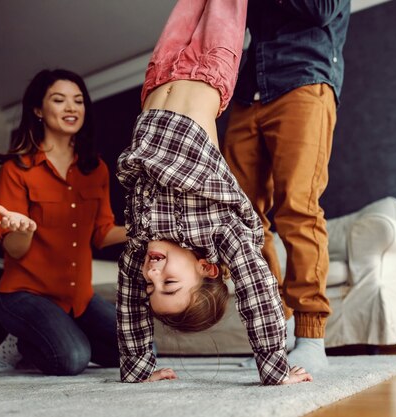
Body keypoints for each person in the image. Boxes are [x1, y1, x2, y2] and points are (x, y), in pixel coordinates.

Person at [116, 0, 311, 386]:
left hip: (158, 77)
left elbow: (129, 303)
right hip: (209, 68)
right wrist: (274, 369)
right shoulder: (219, 231)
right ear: (206, 268)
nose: (152, 274)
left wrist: (137, 367)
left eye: (150, 285)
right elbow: (257, 290)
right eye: (168, 282)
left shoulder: (141, 243)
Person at [222, 0, 351, 373]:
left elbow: (321, 9)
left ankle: (310, 339)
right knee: (243, 220)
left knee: (298, 207)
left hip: (304, 80)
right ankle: (273, 333)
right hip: (248, 93)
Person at [0, 69, 127, 375]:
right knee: (72, 359)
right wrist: (23, 230)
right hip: (25, 294)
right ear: (38, 110)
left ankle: (62, 334)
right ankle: (23, 342)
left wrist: (142, 228)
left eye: (78, 101)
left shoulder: (97, 169)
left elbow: (101, 234)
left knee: (141, 350)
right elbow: (14, 249)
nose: (71, 108)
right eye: (59, 99)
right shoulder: (17, 169)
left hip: (78, 297)